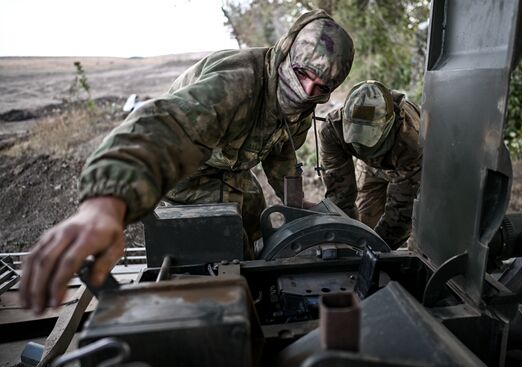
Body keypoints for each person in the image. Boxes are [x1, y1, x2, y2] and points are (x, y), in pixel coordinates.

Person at [20, 9, 354, 314]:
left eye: (321, 86)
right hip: (190, 170)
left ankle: (259, 291)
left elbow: (280, 146)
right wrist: (106, 205)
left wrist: (292, 202)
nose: (307, 90)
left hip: (230, 167)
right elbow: (165, 128)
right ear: (287, 54)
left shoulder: (303, 99)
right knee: (226, 239)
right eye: (302, 73)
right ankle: (228, 308)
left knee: (256, 219)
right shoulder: (238, 82)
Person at [319, 80, 422, 249]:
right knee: (366, 221)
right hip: (369, 166)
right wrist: (347, 240)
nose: (361, 147)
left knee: (411, 229)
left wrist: (373, 252)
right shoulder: (333, 129)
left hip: (407, 165)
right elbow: (340, 193)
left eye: (367, 139)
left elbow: (402, 211)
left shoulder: (411, 140)